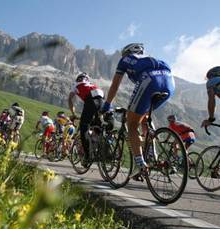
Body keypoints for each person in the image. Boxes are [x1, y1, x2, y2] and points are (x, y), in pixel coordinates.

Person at [102, 43, 175, 176]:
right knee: (144, 117)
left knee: (132, 124)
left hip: (150, 79)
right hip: (169, 81)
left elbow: (115, 85)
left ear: (127, 53)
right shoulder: (148, 58)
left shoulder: (125, 59)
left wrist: (107, 104)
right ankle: (153, 154)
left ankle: (139, 163)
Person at [68, 72, 104, 162]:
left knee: (84, 127)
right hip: (101, 98)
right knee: (98, 124)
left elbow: (70, 99)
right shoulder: (91, 84)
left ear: (78, 79)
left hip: (90, 100)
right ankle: (101, 148)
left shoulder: (76, 84)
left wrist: (73, 113)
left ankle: (87, 157)